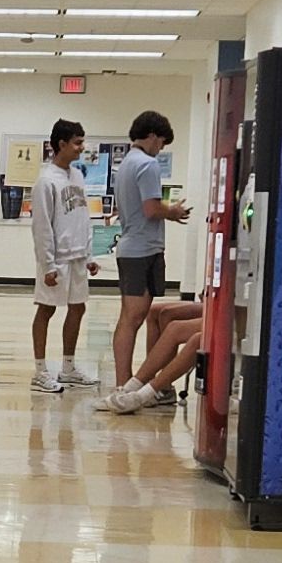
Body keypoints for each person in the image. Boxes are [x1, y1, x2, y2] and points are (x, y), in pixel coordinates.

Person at [106, 110, 194, 388]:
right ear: (153, 136)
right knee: (132, 318)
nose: (161, 149)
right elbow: (151, 208)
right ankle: (125, 384)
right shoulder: (147, 164)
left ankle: (132, 381)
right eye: (162, 143)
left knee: (133, 317)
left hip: (133, 246)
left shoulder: (126, 165)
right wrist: (175, 211)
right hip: (142, 250)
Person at [25, 121, 98, 391]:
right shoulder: (46, 180)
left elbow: (82, 217)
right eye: (77, 142)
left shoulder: (77, 177)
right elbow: (41, 226)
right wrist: (48, 264)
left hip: (78, 256)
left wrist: (89, 254)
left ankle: (68, 367)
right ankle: (40, 371)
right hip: (56, 259)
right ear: (61, 144)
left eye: (82, 141)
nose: (82, 148)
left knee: (78, 307)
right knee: (46, 309)